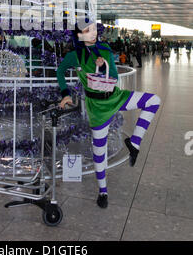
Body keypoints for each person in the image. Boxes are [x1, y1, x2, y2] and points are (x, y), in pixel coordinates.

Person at [56, 20, 161, 209]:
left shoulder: (104, 48)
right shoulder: (74, 56)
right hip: (97, 107)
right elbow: (60, 71)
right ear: (79, 35)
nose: (93, 33)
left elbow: (114, 76)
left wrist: (104, 65)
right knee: (99, 151)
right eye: (87, 31)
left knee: (153, 101)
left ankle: (134, 142)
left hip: (116, 97)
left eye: (94, 30)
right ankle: (103, 191)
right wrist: (65, 94)